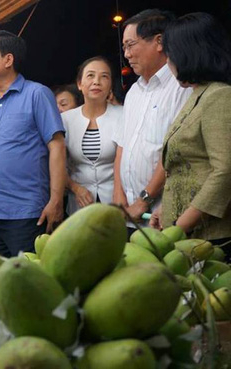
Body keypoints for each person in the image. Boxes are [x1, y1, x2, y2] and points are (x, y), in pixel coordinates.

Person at [0, 30, 66, 257]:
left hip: (28, 213)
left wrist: (56, 200)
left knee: (28, 282)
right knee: (2, 282)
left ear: (8, 59)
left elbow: (57, 146)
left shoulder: (36, 94)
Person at [149, 12, 231, 243]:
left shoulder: (220, 96)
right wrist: (166, 211)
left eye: (170, 53)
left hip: (211, 236)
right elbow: (185, 169)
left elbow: (225, 171)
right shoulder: (198, 94)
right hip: (189, 231)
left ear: (188, 52)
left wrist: (179, 226)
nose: (167, 61)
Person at [112, 9, 192, 232]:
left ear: (159, 42)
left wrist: (143, 200)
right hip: (128, 213)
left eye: (130, 45)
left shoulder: (181, 87)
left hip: (163, 214)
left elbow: (176, 152)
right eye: (124, 48)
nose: (126, 54)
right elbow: (122, 147)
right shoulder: (134, 92)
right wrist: (118, 194)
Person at [63, 56, 122, 215]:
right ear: (79, 84)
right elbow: (56, 164)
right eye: (90, 75)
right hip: (79, 204)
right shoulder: (65, 120)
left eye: (104, 76)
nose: (97, 81)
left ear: (110, 85)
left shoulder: (123, 115)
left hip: (116, 203)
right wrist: (75, 188)